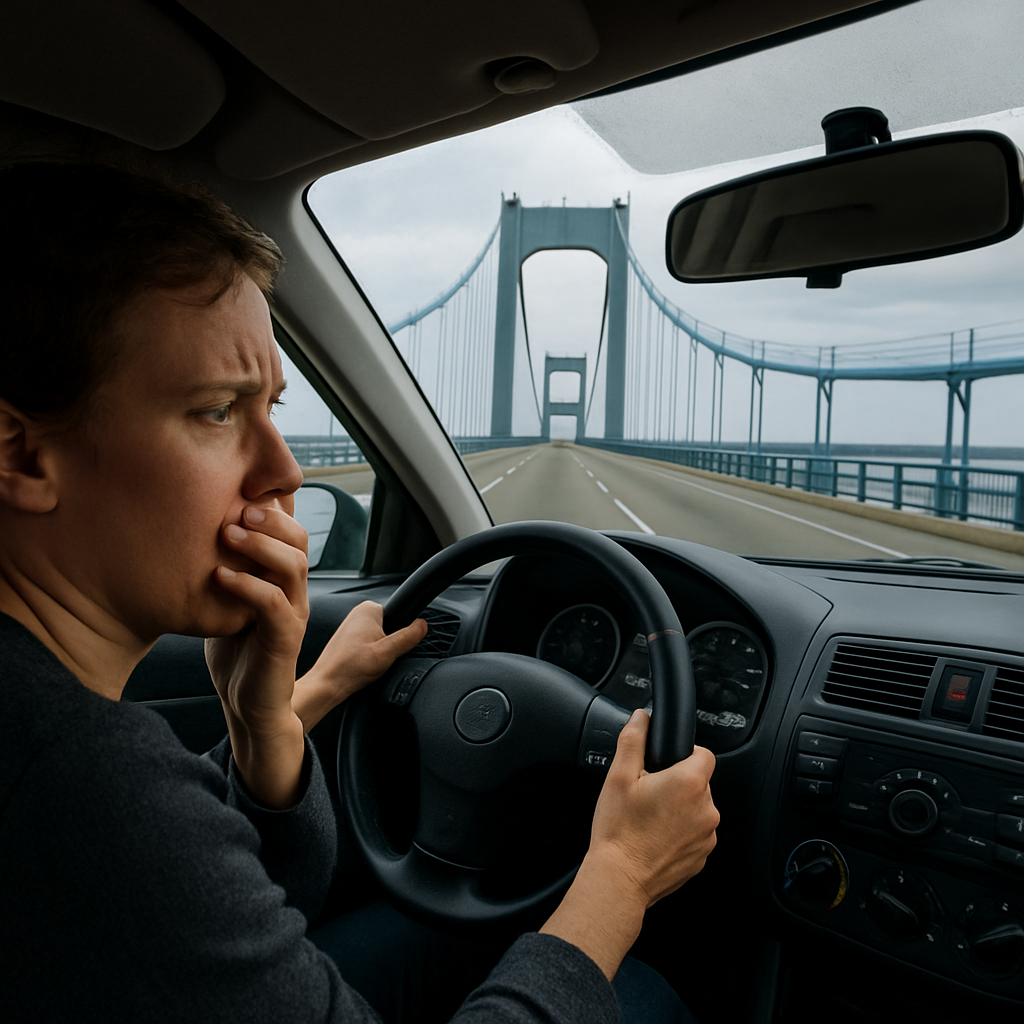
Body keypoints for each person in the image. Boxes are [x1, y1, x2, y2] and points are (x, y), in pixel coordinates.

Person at [0, 161, 719, 1023]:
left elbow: (217, 909)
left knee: (458, 944)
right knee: (635, 994)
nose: (286, 470)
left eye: (271, 406)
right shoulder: (88, 791)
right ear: (21, 455)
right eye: (219, 411)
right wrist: (621, 878)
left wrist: (280, 715)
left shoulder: (60, 752)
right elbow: (147, 857)